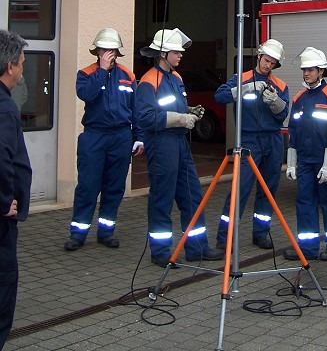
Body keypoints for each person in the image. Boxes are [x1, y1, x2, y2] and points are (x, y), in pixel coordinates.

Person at [136, 28, 223, 267]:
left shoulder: (176, 78)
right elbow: (146, 118)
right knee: (162, 198)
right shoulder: (148, 81)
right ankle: (160, 252)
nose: (181, 55)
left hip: (179, 143)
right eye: (177, 51)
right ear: (163, 53)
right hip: (162, 143)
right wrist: (181, 119)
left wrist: (189, 111)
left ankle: (197, 248)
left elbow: (175, 106)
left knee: (193, 195)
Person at [65, 28, 144, 251]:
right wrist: (101, 70)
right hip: (94, 136)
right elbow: (86, 94)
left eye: (112, 50)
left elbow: (135, 109)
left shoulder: (128, 75)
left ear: (118, 52)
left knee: (114, 187)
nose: (109, 53)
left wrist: (139, 137)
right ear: (97, 51)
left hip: (121, 136)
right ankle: (78, 234)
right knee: (88, 186)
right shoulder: (86, 73)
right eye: (104, 49)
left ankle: (106, 232)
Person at [214, 39, 289, 250]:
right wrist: (245, 88)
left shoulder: (280, 85)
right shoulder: (241, 78)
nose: (268, 65)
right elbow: (220, 96)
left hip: (273, 139)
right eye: (266, 60)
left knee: (268, 189)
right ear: (259, 56)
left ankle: (261, 233)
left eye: (272, 63)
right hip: (248, 140)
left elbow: (283, 114)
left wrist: (275, 102)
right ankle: (225, 237)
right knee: (240, 189)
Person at [283, 47, 327, 262]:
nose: (306, 73)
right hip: (305, 161)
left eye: (310, 70)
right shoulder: (299, 98)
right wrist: (292, 163)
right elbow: (293, 131)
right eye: (304, 70)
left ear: (321, 71)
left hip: (324, 161)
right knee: (304, 203)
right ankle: (308, 248)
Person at [0, 30, 32, 350]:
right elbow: (2, 160)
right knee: (4, 283)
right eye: (21, 63)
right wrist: (2, 203)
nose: (23, 71)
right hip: (1, 222)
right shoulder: (4, 109)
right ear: (10, 66)